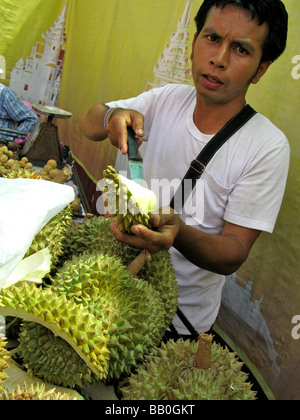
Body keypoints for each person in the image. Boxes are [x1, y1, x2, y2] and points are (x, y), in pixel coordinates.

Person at [80, 0, 290, 337]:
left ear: (261, 69)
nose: (218, 59)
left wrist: (178, 232)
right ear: (194, 43)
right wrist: (110, 117)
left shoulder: (266, 146)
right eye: (212, 38)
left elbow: (233, 253)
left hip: (171, 320)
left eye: (239, 49)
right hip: (97, 283)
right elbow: (88, 122)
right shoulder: (165, 99)